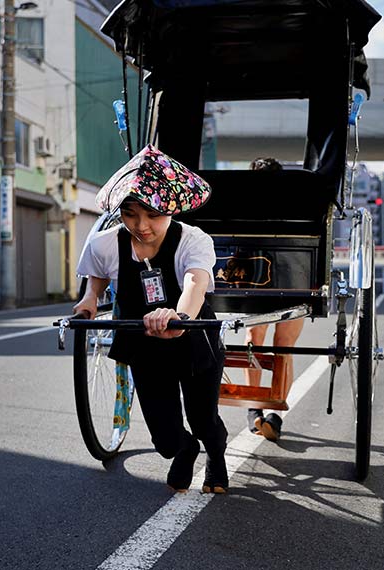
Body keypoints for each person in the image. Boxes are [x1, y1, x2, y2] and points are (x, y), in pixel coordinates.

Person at [74, 145, 229, 494]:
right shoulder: (104, 243)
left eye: (152, 214)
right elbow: (96, 276)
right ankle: (186, 450)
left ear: (171, 209)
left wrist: (180, 315)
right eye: (130, 215)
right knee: (166, 440)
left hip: (193, 340)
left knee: (203, 419)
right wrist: (89, 300)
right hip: (143, 345)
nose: (141, 226)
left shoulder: (194, 240)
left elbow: (195, 284)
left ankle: (215, 456)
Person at [244, 157, 305, 442]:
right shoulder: (296, 203)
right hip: (295, 278)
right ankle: (272, 413)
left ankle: (256, 407)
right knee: (284, 347)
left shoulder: (245, 204)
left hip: (256, 277)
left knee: (254, 339)